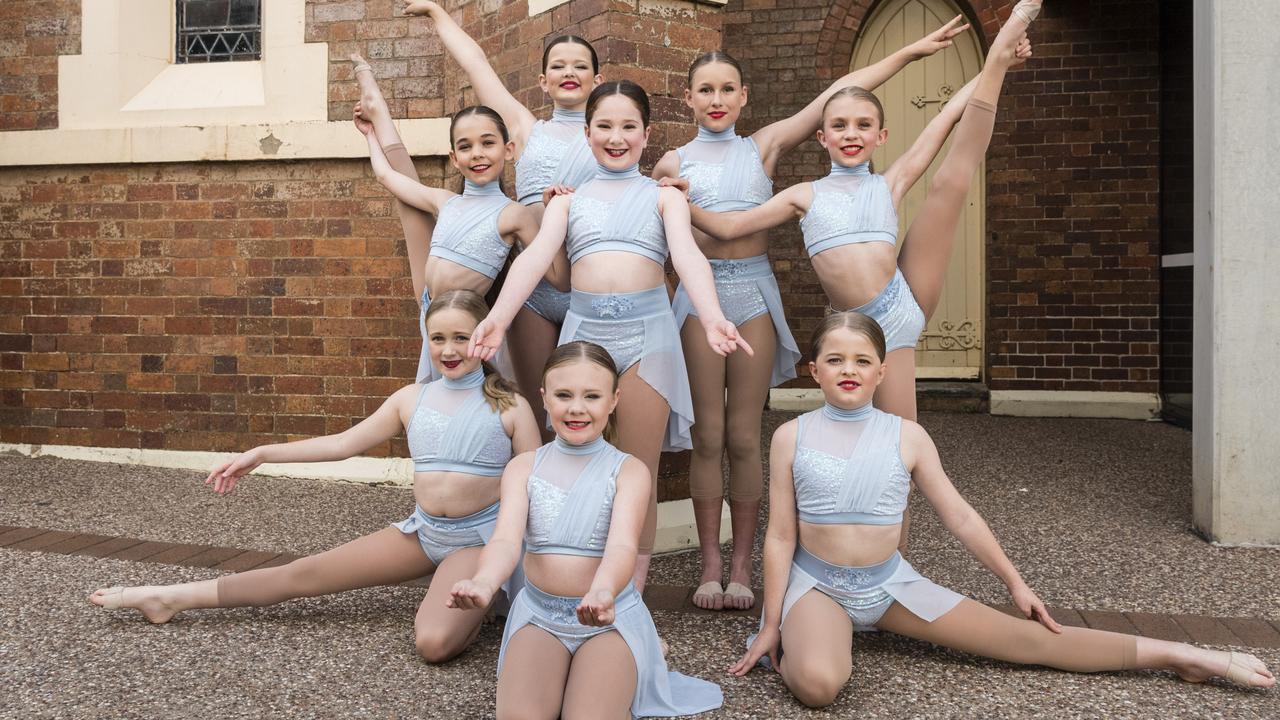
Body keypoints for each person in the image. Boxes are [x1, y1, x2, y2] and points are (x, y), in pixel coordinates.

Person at [732, 311, 1276, 706]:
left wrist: (1015, 583)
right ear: (813, 370)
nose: (848, 369)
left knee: (1027, 642)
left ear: (881, 373)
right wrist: (772, 622)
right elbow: (780, 537)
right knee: (820, 686)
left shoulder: (909, 437)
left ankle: (1184, 656)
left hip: (888, 586)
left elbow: (961, 516)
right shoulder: (791, 436)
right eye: (834, 359)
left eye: (862, 360)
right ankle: (823, 632)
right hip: (817, 587)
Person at [688, 1, 1035, 554]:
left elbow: (945, 119)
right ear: (821, 139)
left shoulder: (889, 182)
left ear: (880, 135)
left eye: (863, 126)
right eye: (839, 126)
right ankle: (845, 545)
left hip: (900, 309)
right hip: (857, 328)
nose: (851, 134)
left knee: (899, 441)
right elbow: (731, 227)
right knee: (857, 435)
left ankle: (890, 560)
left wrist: (992, 71)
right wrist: (679, 205)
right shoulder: (804, 195)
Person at [652, 16, 972, 612]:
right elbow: (646, 214)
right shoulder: (671, 163)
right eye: (706, 90)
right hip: (699, 300)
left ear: (744, 96)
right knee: (709, 435)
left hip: (752, 295)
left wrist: (910, 50)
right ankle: (710, 565)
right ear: (688, 97)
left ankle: (745, 567)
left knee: (746, 436)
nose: (717, 99)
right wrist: (663, 193)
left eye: (728, 89)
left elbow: (842, 91)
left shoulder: (764, 145)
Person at [89, 290, 541, 663]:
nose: (448, 349)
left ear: (487, 338)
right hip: (423, 531)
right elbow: (342, 445)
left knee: (432, 645)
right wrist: (263, 453)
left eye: (461, 337)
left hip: (477, 541)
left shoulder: (510, 406)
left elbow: (534, 489)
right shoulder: (411, 398)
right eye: (437, 337)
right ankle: (170, 597)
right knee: (302, 574)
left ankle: (481, 601)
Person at [469, 80, 752, 591]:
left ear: (646, 135)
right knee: (576, 461)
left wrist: (711, 316)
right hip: (585, 337)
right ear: (587, 132)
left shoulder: (664, 198)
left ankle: (630, 597)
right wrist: (499, 317)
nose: (616, 137)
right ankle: (570, 576)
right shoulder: (567, 203)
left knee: (634, 473)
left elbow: (687, 257)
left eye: (628, 127)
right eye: (604, 126)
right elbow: (534, 259)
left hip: (649, 338)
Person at [449, 341, 723, 719]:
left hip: (606, 620)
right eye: (563, 395)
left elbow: (623, 546)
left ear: (613, 400)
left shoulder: (628, 471)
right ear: (544, 398)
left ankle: (631, 657)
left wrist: (603, 590)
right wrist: (483, 582)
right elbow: (505, 540)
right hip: (540, 616)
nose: (576, 407)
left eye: (591, 396)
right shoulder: (523, 468)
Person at [404, 0, 604, 438]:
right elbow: (476, 64)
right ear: (543, 80)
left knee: (586, 405)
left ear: (596, 78)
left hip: (585, 284)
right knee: (534, 406)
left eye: (580, 66)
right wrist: (438, 15)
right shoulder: (525, 127)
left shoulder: (606, 136)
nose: (569, 72)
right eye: (558, 65)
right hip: (531, 291)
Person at [351, 67, 566, 383]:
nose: (477, 154)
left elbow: (559, 278)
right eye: (466, 147)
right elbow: (387, 177)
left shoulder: (513, 214)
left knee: (467, 393)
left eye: (487, 143)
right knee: (437, 394)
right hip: (430, 306)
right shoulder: (444, 200)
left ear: (508, 150)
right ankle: (377, 109)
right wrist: (369, 136)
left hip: (463, 320)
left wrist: (555, 212)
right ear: (454, 158)